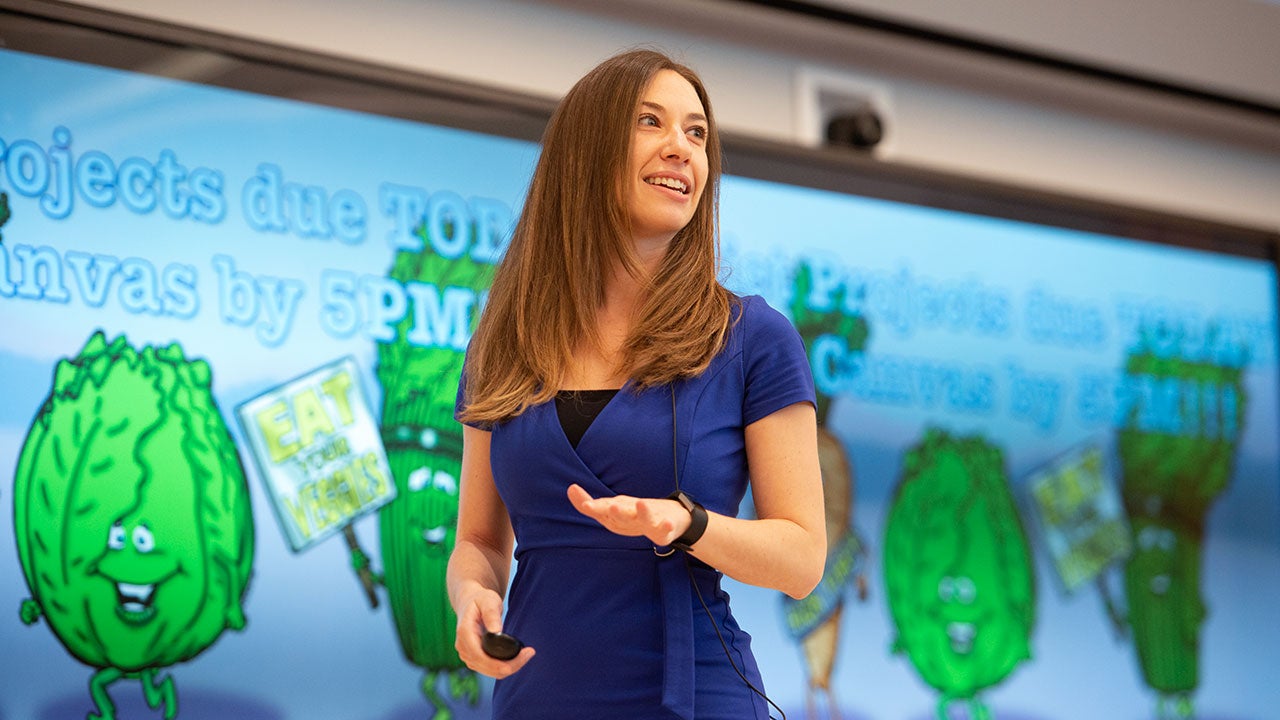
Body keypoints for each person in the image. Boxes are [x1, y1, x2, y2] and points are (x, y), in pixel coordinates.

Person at [447, 48, 825, 720]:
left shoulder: (753, 339)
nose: (682, 147)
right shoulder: (502, 343)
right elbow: (478, 542)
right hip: (536, 696)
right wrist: (473, 594)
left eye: (697, 133)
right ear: (586, 152)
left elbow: (801, 559)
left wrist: (688, 522)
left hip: (693, 697)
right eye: (651, 122)